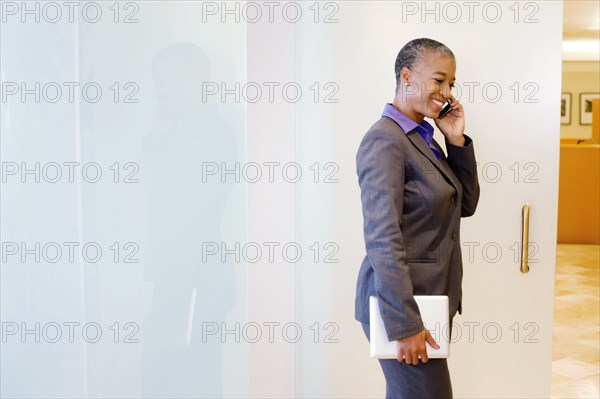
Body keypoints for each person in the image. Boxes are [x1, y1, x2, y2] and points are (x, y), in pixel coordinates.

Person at [355, 38, 481, 398]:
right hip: (403, 307)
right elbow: (382, 237)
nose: (445, 93)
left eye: (451, 84)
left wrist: (455, 141)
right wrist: (406, 324)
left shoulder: (425, 138)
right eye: (438, 80)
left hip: (431, 301)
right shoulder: (385, 140)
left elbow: (465, 203)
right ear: (407, 76)